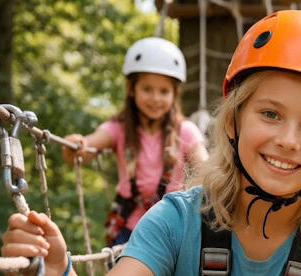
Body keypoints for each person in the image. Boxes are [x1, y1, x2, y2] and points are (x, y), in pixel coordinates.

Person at [1, 10, 301, 275]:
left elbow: (198, 158)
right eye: (270, 114)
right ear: (233, 120)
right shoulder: (176, 224)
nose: (288, 141)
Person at [59, 36, 209, 246]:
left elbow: (206, 167)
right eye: (147, 89)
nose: (156, 98)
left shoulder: (186, 132)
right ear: (131, 89)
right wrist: (77, 145)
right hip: (128, 230)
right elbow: (87, 148)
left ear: (175, 93)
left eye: (164, 91)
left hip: (172, 227)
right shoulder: (119, 129)